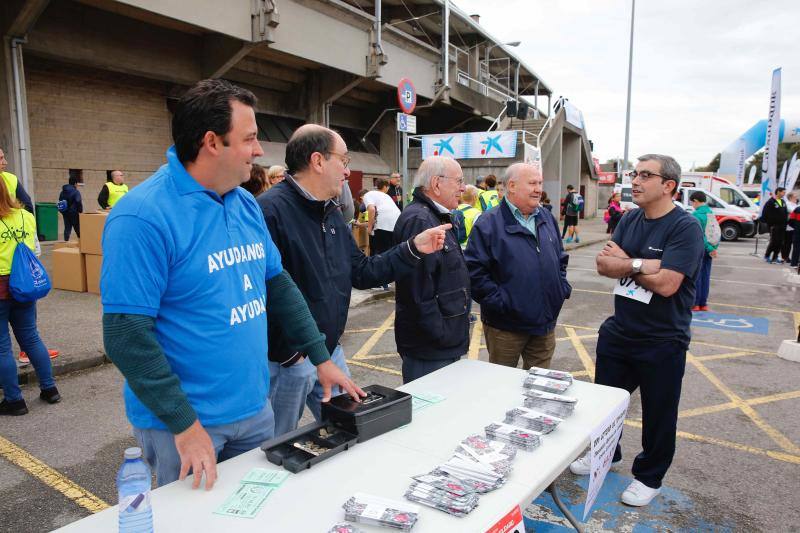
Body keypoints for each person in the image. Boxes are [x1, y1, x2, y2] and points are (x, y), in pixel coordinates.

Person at [100, 79, 358, 489]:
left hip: (255, 411)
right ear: (211, 143)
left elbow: (278, 285)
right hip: (185, 426)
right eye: (251, 138)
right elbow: (125, 335)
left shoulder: (243, 204)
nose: (259, 151)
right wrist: (184, 425)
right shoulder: (142, 216)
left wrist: (320, 357)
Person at [257, 124, 449, 435]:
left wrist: (413, 248)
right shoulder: (269, 212)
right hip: (289, 360)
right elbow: (263, 290)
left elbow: (362, 271)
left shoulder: (330, 212)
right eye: (344, 161)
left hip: (330, 350)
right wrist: (291, 353)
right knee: (280, 443)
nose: (348, 172)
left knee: (352, 427)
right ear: (318, 161)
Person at [570, 154, 704, 507]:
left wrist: (627, 262)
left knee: (659, 414)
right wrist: (645, 264)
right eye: (635, 173)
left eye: (646, 175)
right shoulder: (630, 219)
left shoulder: (685, 228)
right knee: (606, 406)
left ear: (668, 185)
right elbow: (603, 264)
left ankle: (649, 476)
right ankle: (606, 454)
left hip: (663, 338)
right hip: (620, 332)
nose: (636, 180)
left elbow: (667, 284)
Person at [465, 163, 570, 370]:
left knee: (539, 386)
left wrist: (561, 288)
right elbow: (474, 273)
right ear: (511, 186)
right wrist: (503, 304)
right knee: (503, 387)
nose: (539, 189)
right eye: (532, 183)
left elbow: (560, 258)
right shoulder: (488, 223)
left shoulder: (547, 217)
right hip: (506, 327)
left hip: (544, 324)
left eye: (539, 183)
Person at [393, 156, 470, 383]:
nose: (463, 187)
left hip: (440, 345)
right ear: (436, 183)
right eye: (459, 181)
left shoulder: (434, 216)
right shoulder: (420, 220)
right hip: (431, 348)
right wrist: (441, 333)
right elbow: (416, 291)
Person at [0, 178, 60, 416]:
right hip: (24, 285)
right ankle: (49, 388)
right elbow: (35, 250)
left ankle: (14, 401)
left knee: (2, 347)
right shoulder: (26, 216)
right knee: (31, 338)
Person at [689, 191, 718, 312]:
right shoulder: (711, 213)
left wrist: (708, 247)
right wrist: (714, 248)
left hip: (700, 249)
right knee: (706, 276)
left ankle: (695, 304)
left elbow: (700, 236)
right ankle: (704, 303)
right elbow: (716, 233)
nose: (692, 205)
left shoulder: (695, 215)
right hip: (711, 249)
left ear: (695, 201)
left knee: (697, 277)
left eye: (692, 203)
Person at [364, 178, 402, 257]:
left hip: (383, 224)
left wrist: (369, 228)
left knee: (380, 253)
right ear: (385, 187)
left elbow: (371, 209)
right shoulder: (387, 197)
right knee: (391, 252)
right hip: (397, 224)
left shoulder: (368, 194)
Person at [0, 147, 34, 212]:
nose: (5, 162)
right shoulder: (10, 178)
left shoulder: (11, 179)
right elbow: (28, 208)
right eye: (0, 158)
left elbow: (27, 207)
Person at [761, 187, 788, 264]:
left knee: (780, 242)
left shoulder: (783, 201)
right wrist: (770, 224)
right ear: (778, 192)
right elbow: (765, 214)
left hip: (782, 226)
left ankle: (775, 257)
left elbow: (785, 213)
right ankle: (767, 256)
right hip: (774, 226)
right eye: (783, 192)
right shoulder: (770, 202)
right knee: (774, 242)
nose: (784, 194)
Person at [59, 173, 84, 241]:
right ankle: (82, 243)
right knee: (77, 228)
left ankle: (65, 242)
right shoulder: (76, 192)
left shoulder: (62, 192)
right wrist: (80, 211)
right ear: (75, 183)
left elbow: (60, 201)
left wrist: (63, 211)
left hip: (65, 213)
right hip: (74, 213)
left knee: (67, 228)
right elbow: (78, 201)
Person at [782, 191, 797, 264]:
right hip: (788, 226)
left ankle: (789, 257)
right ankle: (785, 257)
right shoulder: (788, 204)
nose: (796, 198)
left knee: (792, 243)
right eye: (795, 196)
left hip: (795, 227)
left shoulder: (795, 204)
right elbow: (792, 211)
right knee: (787, 243)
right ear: (790, 197)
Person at [789, 198, 800, 268]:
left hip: (797, 231)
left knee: (796, 248)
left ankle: (794, 263)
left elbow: (790, 221)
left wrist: (796, 227)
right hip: (797, 231)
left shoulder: (797, 209)